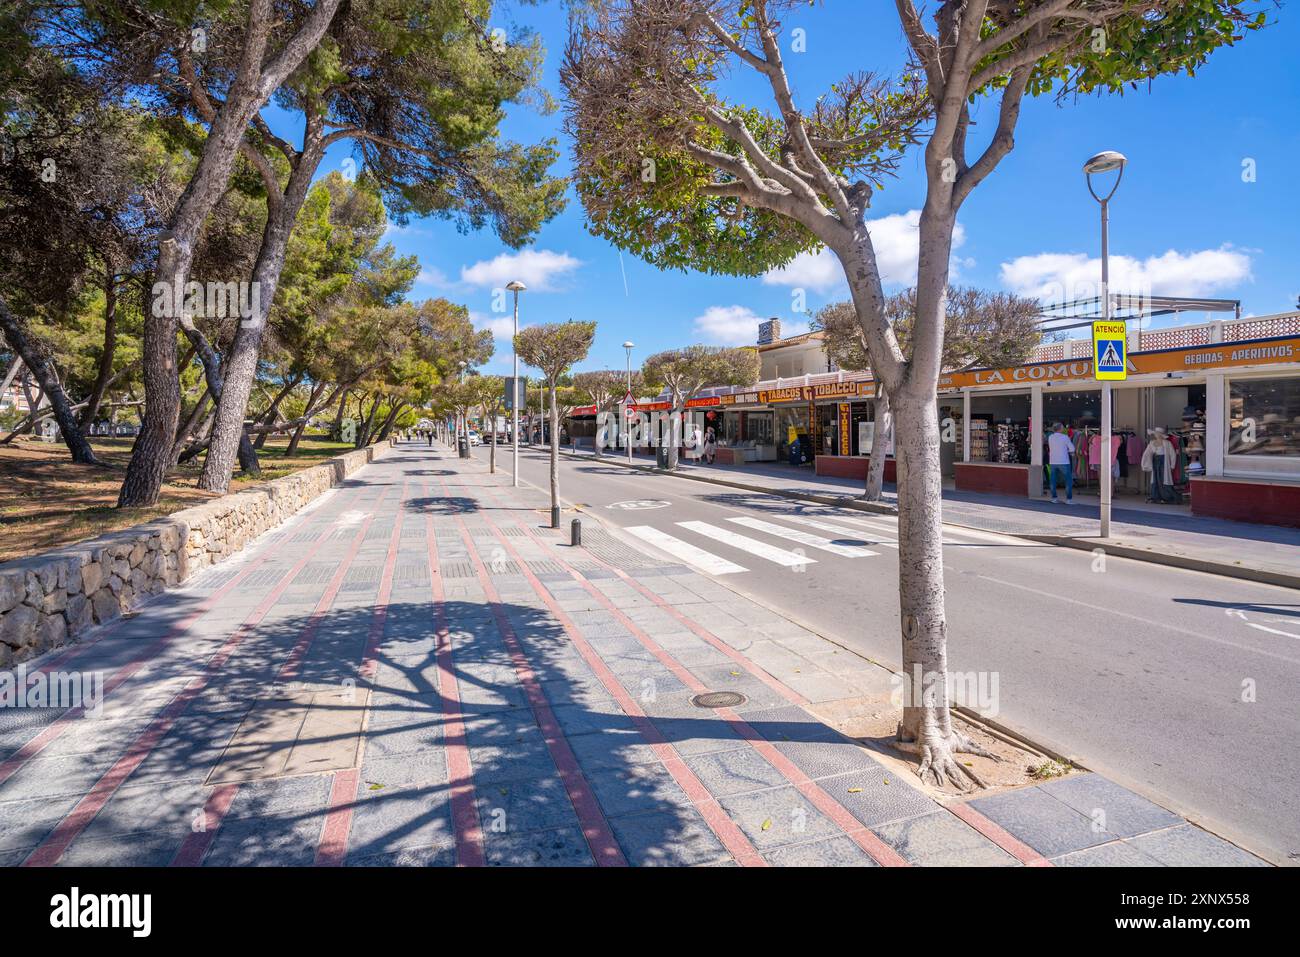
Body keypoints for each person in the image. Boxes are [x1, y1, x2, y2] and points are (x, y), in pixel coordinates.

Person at [1141, 427, 1178, 503]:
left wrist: (1172, 466)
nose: (1156, 435)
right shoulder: (1152, 443)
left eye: (1158, 433)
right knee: (1155, 478)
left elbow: (1172, 454)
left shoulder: (1167, 443)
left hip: (1164, 462)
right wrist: (1145, 463)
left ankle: (1167, 497)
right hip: (1155, 462)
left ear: (1161, 435)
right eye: (1155, 433)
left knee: (1164, 478)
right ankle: (1155, 496)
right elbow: (1147, 453)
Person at [1046, 422, 1075, 504]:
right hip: (1064, 461)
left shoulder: (1050, 437)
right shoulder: (1065, 437)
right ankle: (1069, 499)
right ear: (1060, 429)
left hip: (1053, 461)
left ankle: (1054, 498)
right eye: (1062, 427)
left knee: (1053, 480)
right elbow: (1072, 448)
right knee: (1068, 480)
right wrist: (1071, 452)